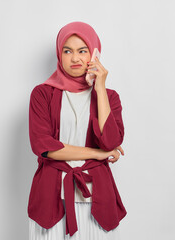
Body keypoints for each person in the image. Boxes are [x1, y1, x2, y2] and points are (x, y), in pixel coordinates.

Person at [27, 21, 127, 240]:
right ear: (59, 53)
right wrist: (96, 153)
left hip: (97, 200)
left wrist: (99, 87)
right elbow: (44, 147)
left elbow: (110, 142)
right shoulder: (42, 94)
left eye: (82, 51)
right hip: (51, 201)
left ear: (94, 53)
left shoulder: (110, 97)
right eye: (67, 51)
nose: (74, 58)